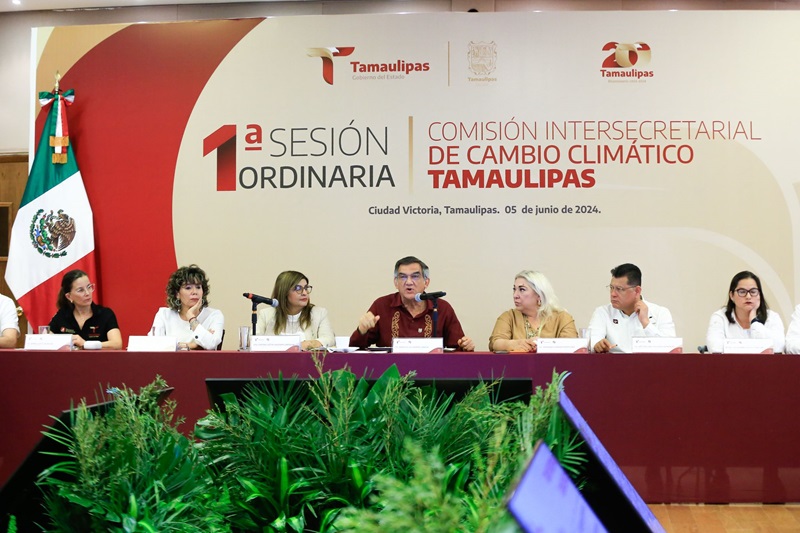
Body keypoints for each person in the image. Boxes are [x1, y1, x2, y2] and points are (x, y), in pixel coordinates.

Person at [349, 256, 475, 351]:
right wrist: (362, 330)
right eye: (403, 277)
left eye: (415, 276)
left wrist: (466, 346)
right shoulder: (381, 305)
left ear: (426, 282)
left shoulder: (442, 308)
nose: (408, 282)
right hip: (392, 375)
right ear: (396, 282)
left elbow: (457, 349)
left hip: (432, 374)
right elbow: (354, 349)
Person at [589, 263, 676, 353]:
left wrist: (646, 323)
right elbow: (591, 342)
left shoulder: (661, 313)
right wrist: (597, 346)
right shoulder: (603, 312)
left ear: (637, 291)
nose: (613, 294)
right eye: (611, 288)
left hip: (648, 362)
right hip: (614, 361)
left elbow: (670, 349)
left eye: (619, 289)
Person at [489, 270, 577, 352]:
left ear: (539, 294)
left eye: (522, 289)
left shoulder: (562, 318)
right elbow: (495, 343)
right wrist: (514, 344)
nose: (515, 295)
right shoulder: (509, 316)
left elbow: (572, 345)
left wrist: (543, 345)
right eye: (514, 289)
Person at [706, 271, 784, 353]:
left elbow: (778, 347)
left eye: (753, 291)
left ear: (759, 295)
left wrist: (754, 322)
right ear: (731, 295)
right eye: (742, 292)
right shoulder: (720, 317)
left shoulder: (772, 317)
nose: (748, 296)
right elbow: (715, 348)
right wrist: (758, 348)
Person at [149, 264, 224, 350]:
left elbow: (211, 344)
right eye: (188, 288)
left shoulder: (214, 315)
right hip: (170, 359)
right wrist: (192, 345)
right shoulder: (164, 315)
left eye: (198, 287)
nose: (194, 292)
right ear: (177, 294)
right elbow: (154, 344)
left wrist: (192, 318)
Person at [256, 270, 334, 350]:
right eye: (298, 288)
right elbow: (253, 340)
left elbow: (329, 339)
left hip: (306, 358)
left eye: (306, 288)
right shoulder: (266, 314)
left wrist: (305, 345)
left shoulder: (319, 313)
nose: (304, 293)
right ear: (284, 292)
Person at [48, 269, 122, 349]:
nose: (87, 293)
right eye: (80, 290)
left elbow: (117, 345)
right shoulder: (62, 315)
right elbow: (46, 341)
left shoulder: (105, 314)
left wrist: (86, 344)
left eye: (89, 287)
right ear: (69, 296)